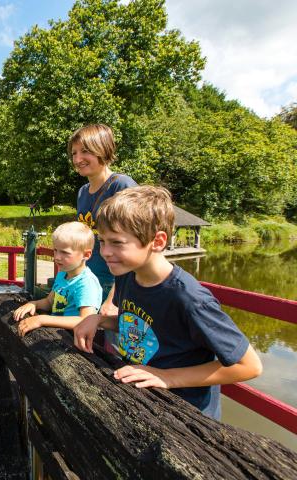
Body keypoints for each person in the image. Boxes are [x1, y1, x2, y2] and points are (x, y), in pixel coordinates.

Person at [73, 186, 262, 419]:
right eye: (101, 241)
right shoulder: (126, 275)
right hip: (145, 399)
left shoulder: (189, 298)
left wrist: (169, 377)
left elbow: (249, 366)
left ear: (158, 241)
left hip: (186, 414)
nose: (105, 252)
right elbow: (139, 323)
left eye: (117, 242)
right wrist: (100, 320)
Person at [70, 124, 137, 351]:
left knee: (120, 353)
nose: (78, 158)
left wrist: (112, 299)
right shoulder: (82, 192)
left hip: (118, 287)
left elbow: (133, 247)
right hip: (91, 283)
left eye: (85, 151)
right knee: (90, 349)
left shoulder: (121, 186)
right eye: (74, 153)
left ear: (102, 149)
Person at [13, 222, 102, 336]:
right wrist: (34, 304)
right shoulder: (62, 274)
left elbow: (86, 320)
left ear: (86, 255)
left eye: (65, 252)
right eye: (55, 250)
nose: (57, 257)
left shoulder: (86, 283)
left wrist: (42, 319)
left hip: (73, 341)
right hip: (57, 335)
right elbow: (50, 302)